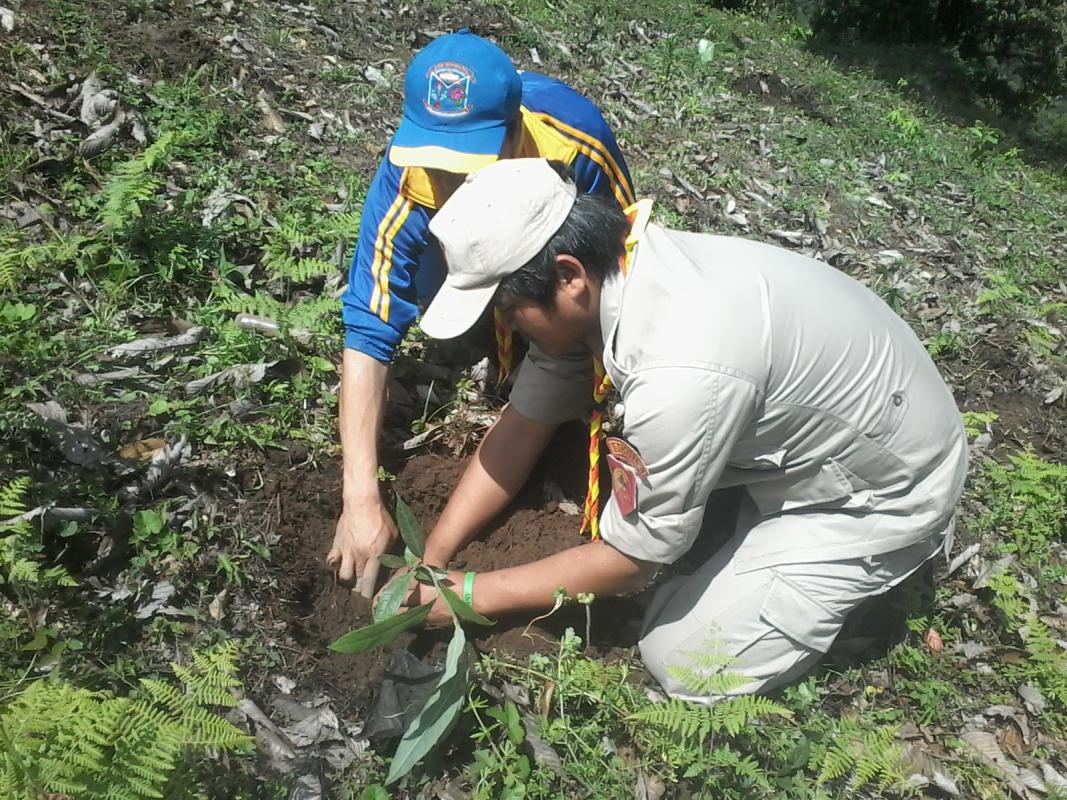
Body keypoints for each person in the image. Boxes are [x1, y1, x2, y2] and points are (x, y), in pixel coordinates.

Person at [383, 158, 968, 701]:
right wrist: (433, 556)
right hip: (850, 416)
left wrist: (469, 596)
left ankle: (854, 575)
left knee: (683, 660)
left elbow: (635, 562)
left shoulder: (679, 368)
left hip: (881, 489)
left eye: (508, 308)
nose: (504, 323)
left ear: (567, 275)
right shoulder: (613, 270)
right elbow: (522, 428)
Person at [329, 29, 634, 597]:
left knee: (563, 345)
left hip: (550, 254)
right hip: (455, 261)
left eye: (467, 163)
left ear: (513, 129)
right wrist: (361, 498)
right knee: (433, 296)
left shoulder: (573, 141)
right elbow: (369, 325)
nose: (450, 182)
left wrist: (590, 366)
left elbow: (613, 262)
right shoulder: (410, 171)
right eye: (438, 165)